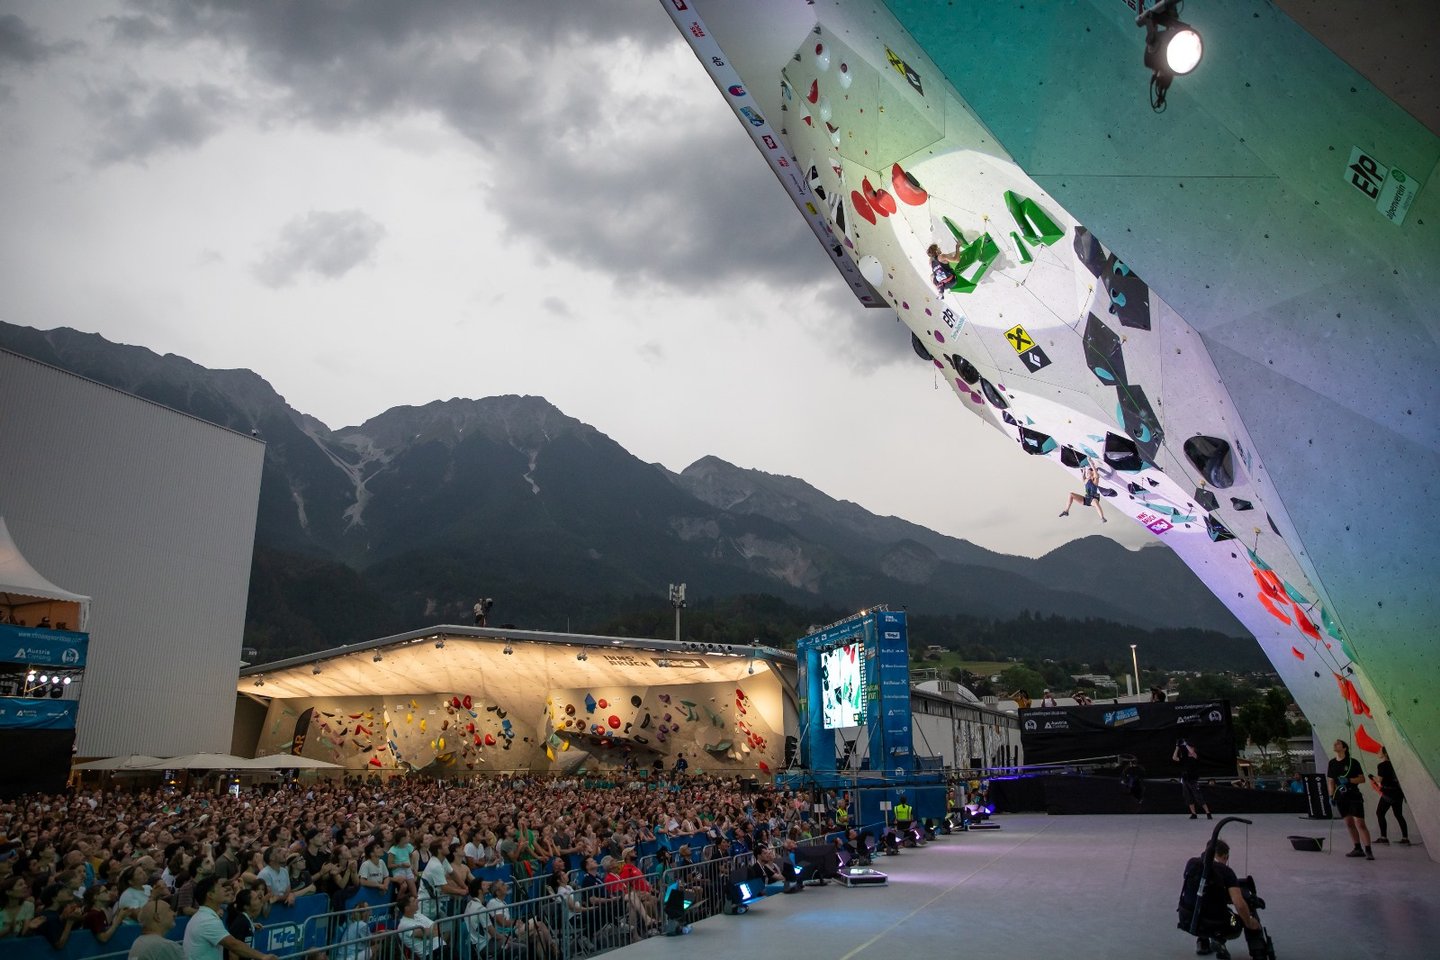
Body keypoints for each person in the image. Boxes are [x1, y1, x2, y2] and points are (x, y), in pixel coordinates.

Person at [1184, 839, 1265, 960]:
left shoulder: (1191, 863)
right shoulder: (1226, 872)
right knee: (1237, 918)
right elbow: (1239, 903)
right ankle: (1219, 939)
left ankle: (1203, 943)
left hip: (1190, 919)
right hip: (1220, 923)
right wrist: (1249, 921)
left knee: (1203, 907)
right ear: (1225, 856)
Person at [183, 876, 279, 960]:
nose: (225, 890)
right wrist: (263, 957)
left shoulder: (203, 917)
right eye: (220, 887)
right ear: (210, 895)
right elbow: (233, 945)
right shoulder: (207, 921)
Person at [1327, 739, 1374, 860]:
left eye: (1338, 744)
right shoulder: (1332, 763)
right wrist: (1331, 795)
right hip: (1341, 797)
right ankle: (1357, 848)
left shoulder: (1353, 762)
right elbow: (1331, 781)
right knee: (1348, 823)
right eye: (1334, 743)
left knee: (1360, 822)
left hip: (1354, 796)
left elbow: (1362, 779)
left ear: (1344, 748)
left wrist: (1349, 780)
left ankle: (1368, 849)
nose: (1335, 745)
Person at [1370, 745, 1410, 845]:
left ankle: (1383, 837)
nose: (1378, 752)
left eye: (1379, 751)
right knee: (1398, 815)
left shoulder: (1382, 765)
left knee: (1380, 813)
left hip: (1388, 794)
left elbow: (1379, 780)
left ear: (1385, 754)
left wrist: (1371, 777)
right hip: (1398, 793)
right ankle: (1405, 838)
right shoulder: (1394, 764)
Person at [1174, 740, 1213, 820]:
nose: (1189, 749)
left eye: (1191, 747)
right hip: (1185, 779)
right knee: (1188, 797)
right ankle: (1193, 813)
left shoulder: (1195, 757)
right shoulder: (1184, 759)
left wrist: (1186, 744)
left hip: (1193, 780)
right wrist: (1177, 747)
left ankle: (1208, 812)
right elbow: (1174, 757)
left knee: (1198, 796)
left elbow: (1192, 752)